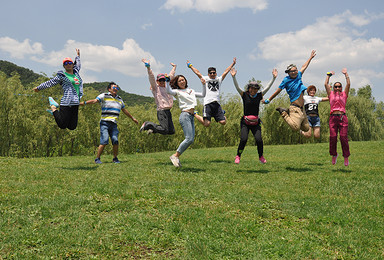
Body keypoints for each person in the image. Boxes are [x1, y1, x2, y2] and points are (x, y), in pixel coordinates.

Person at [80, 82, 138, 164]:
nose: (115, 89)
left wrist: (133, 118)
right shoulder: (104, 96)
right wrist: (84, 103)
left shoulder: (119, 99)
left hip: (114, 124)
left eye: (117, 88)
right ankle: (97, 158)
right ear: (109, 89)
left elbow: (124, 110)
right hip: (104, 123)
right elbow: (95, 101)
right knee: (104, 140)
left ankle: (115, 158)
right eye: (114, 88)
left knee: (115, 140)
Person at [231, 68, 278, 164]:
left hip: (256, 123)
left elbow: (268, 88)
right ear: (249, 88)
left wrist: (273, 78)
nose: (253, 90)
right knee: (244, 139)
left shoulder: (259, 96)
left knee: (259, 140)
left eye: (255, 88)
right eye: (252, 88)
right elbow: (237, 87)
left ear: (257, 90)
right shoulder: (244, 95)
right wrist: (234, 77)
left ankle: (261, 156)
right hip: (245, 122)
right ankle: (238, 155)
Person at [263, 50, 316, 133]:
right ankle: (284, 112)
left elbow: (304, 66)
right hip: (295, 108)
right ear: (288, 73)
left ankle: (288, 112)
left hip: (302, 109)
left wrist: (310, 58)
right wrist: (268, 100)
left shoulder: (299, 75)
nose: (294, 72)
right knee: (295, 128)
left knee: (306, 128)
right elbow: (277, 91)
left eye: (295, 70)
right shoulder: (286, 80)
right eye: (292, 71)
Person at [33, 49, 83, 130]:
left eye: (70, 63)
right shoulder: (62, 76)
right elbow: (51, 82)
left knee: (72, 127)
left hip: (75, 103)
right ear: (64, 66)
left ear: (72, 64)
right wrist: (39, 87)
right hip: (67, 102)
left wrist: (78, 56)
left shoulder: (76, 72)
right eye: (65, 63)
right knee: (62, 125)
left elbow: (79, 64)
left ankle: (55, 113)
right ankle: (53, 107)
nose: (68, 64)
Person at [166, 75, 206, 167]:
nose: (182, 82)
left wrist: (203, 85)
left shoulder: (191, 91)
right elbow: (169, 91)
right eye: (179, 81)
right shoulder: (177, 91)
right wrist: (167, 81)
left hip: (191, 116)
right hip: (185, 115)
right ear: (177, 83)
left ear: (185, 80)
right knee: (189, 138)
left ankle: (176, 156)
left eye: (183, 80)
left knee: (191, 139)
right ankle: (175, 156)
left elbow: (203, 95)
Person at [187, 58, 236, 127]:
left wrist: (232, 64)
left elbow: (226, 72)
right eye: (211, 73)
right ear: (208, 74)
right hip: (208, 104)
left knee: (223, 122)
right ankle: (195, 114)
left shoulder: (218, 79)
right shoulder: (206, 79)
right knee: (207, 124)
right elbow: (197, 72)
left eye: (214, 73)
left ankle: (221, 113)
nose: (212, 74)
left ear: (216, 73)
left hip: (217, 104)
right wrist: (190, 65)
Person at [139, 59, 176, 135]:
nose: (162, 82)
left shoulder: (167, 87)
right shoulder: (156, 88)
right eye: (160, 80)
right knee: (165, 130)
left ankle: (153, 129)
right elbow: (151, 77)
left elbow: (171, 76)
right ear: (157, 81)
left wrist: (174, 67)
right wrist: (148, 68)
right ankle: (147, 124)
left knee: (171, 131)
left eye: (163, 80)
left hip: (168, 111)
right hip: (161, 111)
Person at [324, 69, 351, 166]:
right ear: (334, 88)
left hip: (342, 117)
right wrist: (328, 75)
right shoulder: (331, 94)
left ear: (341, 87)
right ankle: (334, 155)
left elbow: (348, 84)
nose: (337, 88)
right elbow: (325, 84)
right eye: (335, 86)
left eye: (339, 86)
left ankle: (346, 156)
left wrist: (346, 74)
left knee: (343, 137)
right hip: (333, 118)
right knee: (333, 137)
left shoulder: (344, 94)